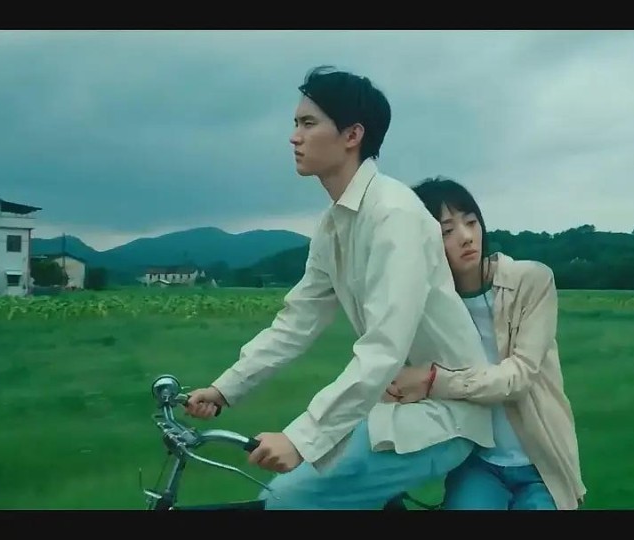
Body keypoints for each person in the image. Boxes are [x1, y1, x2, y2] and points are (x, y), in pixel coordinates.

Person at [183, 66, 494, 510]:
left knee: (285, 499)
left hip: (446, 417)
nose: (294, 137)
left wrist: (301, 438)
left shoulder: (395, 216)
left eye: (308, 123)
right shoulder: (333, 227)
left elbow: (384, 346)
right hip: (394, 406)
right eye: (296, 123)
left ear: (352, 135)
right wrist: (225, 388)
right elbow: (296, 322)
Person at [384, 176, 586, 510]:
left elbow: (518, 377)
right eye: (446, 231)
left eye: (471, 222)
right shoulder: (424, 308)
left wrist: (433, 381)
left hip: (541, 463)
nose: (466, 236)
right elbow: (395, 381)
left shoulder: (531, 281)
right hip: (476, 463)